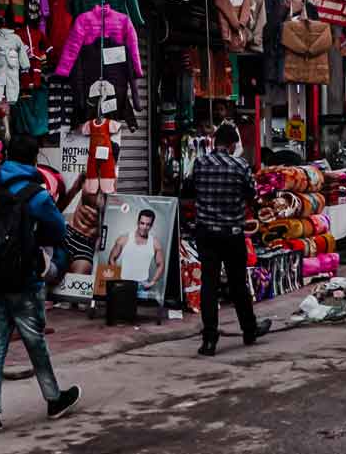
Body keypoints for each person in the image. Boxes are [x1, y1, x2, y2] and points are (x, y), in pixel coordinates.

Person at [0, 135, 80, 435]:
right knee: (35, 341)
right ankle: (54, 399)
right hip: (24, 280)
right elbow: (59, 229)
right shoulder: (38, 195)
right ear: (35, 159)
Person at [185, 121, 272, 357]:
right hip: (232, 234)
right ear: (232, 144)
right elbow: (252, 195)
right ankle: (249, 329)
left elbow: (189, 189)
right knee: (237, 285)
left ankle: (210, 339)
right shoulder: (240, 165)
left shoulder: (200, 163)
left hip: (206, 234)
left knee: (209, 286)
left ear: (215, 141)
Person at [106, 208, 167, 299]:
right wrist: (117, 278)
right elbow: (112, 258)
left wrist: (152, 282)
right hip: (123, 283)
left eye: (148, 224)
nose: (144, 227)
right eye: (142, 223)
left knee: (140, 312)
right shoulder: (124, 238)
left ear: (151, 226)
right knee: (121, 310)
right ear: (138, 222)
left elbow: (161, 264)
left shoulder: (155, 243)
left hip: (142, 286)